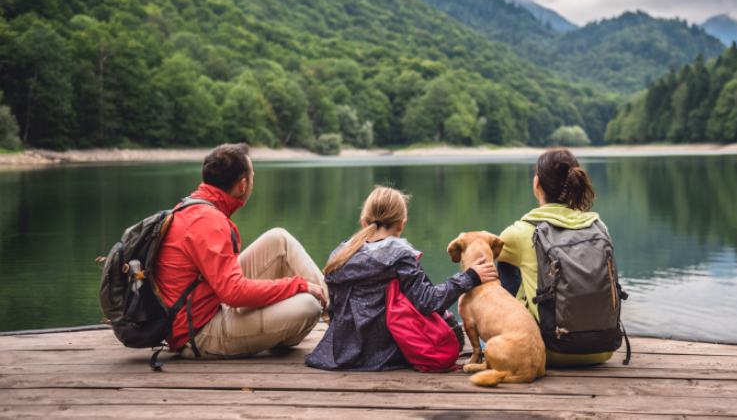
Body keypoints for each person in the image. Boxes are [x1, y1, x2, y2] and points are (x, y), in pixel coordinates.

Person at [153, 143, 329, 359]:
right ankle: (341, 322)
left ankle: (339, 318)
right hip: (197, 333)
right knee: (308, 306)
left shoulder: (193, 207)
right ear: (243, 185)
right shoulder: (209, 221)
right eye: (253, 176)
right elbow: (234, 293)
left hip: (209, 302)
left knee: (278, 239)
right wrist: (297, 285)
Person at [305, 186, 498, 371]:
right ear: (401, 224)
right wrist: (469, 277)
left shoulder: (340, 254)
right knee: (452, 330)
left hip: (340, 352)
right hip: (385, 353)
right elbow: (428, 301)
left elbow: (335, 308)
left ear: (364, 221)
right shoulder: (400, 255)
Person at [496, 148, 614, 367]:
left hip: (544, 349)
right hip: (603, 348)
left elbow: (484, 255)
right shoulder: (599, 227)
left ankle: (502, 337)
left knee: (503, 259)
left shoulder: (520, 232)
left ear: (536, 183)